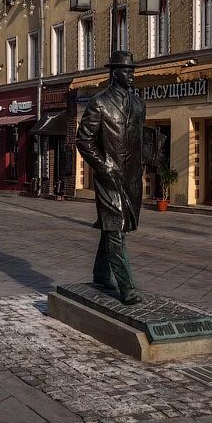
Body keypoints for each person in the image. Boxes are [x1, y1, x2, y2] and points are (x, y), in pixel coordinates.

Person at [75, 50, 150, 305]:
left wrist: (149, 158)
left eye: (132, 71)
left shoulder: (140, 105)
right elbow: (84, 140)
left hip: (131, 178)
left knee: (116, 228)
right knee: (115, 228)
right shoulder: (99, 103)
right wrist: (103, 166)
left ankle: (100, 273)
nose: (131, 75)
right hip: (108, 176)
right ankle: (127, 286)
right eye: (126, 71)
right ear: (114, 72)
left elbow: (140, 139)